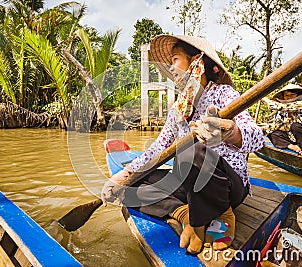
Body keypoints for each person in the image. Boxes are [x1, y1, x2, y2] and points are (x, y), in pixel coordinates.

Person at [101, 35, 264, 254]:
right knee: (129, 188)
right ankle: (184, 213)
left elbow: (257, 138)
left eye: (176, 59)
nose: (171, 67)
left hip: (225, 189)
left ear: (196, 61)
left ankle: (221, 214)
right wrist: (126, 174)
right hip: (191, 188)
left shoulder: (225, 94)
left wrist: (230, 132)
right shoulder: (178, 109)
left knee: (190, 149)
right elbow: (159, 147)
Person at [263, 84, 302, 161]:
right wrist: (260, 131)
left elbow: (279, 106)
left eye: (292, 95)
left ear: (298, 95)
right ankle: (293, 146)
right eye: (286, 95)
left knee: (295, 126)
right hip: (296, 138)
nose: (289, 97)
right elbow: (276, 124)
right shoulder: (283, 111)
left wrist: (264, 99)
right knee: (273, 132)